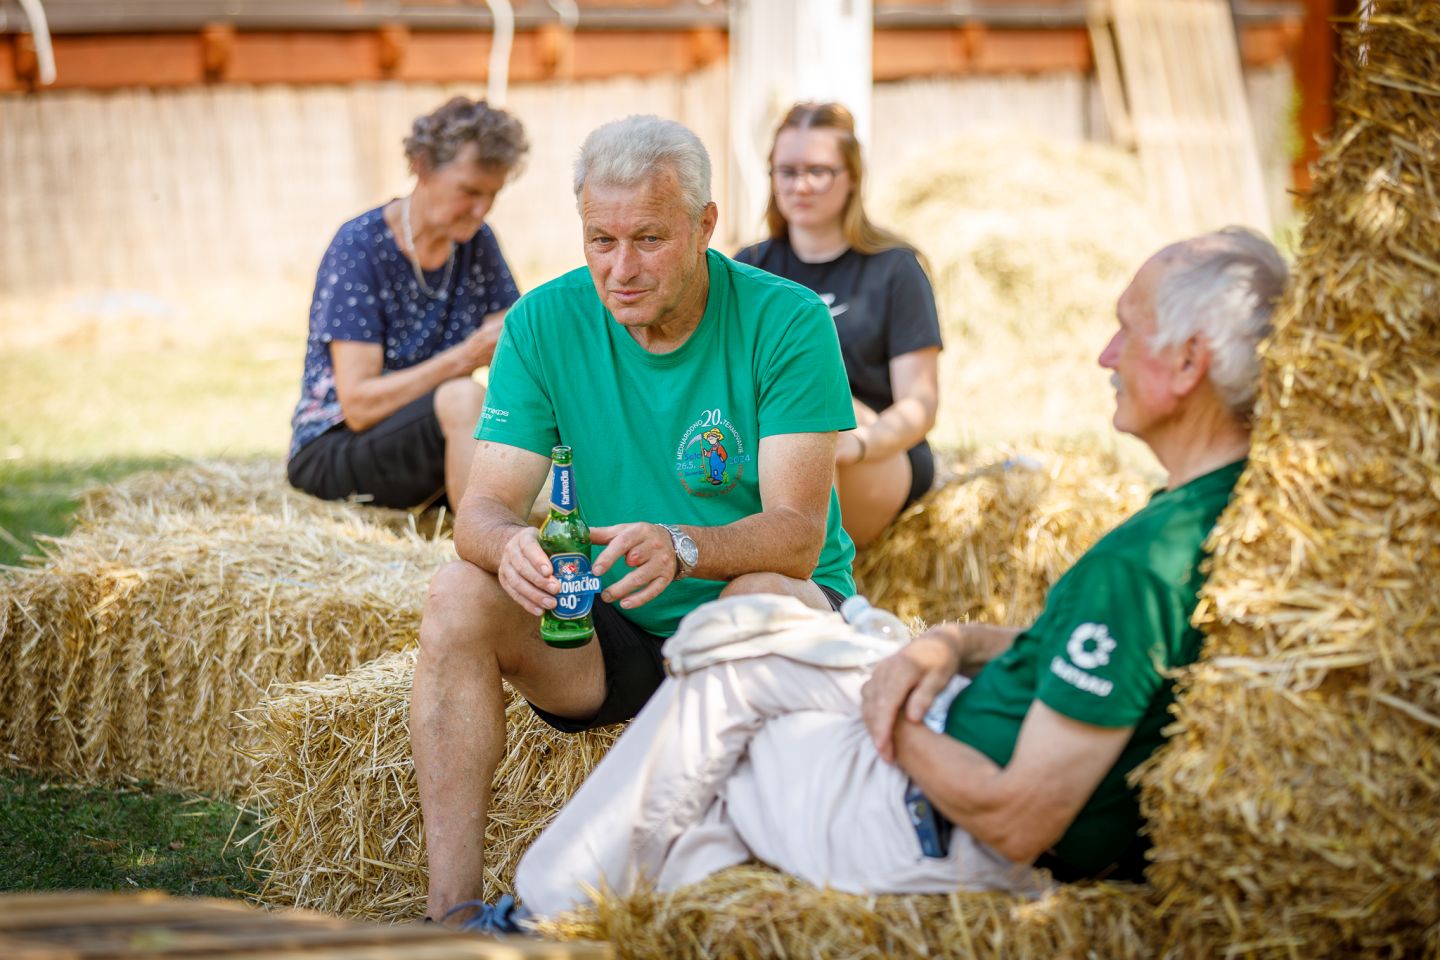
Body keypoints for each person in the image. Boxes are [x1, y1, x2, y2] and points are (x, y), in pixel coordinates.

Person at [502, 226, 1288, 923]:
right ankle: (619, 910)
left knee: (729, 698)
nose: (1105, 355)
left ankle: (539, 912)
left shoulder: (1143, 565)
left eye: (1127, 331)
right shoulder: (1231, 512)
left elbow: (1017, 820)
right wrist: (953, 645)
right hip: (947, 737)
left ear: (1189, 363)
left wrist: (895, 722)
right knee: (743, 631)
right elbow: (1112, 655)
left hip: (933, 820)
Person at [411, 115, 860, 927]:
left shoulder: (788, 320)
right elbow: (479, 510)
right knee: (456, 593)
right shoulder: (542, 322)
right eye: (601, 240)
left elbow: (798, 535)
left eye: (648, 239)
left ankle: (652, 902)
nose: (620, 269)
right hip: (611, 623)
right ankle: (452, 919)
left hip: (756, 619)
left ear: (705, 225)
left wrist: (684, 546)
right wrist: (510, 547)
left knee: (753, 595)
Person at [287, 96, 528, 510]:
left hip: (422, 441)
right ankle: (484, 535)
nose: (481, 209)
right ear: (423, 166)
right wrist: (466, 356)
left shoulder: (477, 242)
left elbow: (519, 344)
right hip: (335, 447)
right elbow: (359, 406)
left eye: (492, 194)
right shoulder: (359, 247)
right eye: (470, 191)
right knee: (463, 397)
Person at [736, 102, 942, 548]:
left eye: (819, 171)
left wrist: (862, 442)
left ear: (852, 177)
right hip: (770, 443)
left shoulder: (895, 270)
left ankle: (820, 579)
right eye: (787, 171)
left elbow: (920, 404)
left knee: (815, 420)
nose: (801, 185)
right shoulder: (749, 269)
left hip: (874, 449)